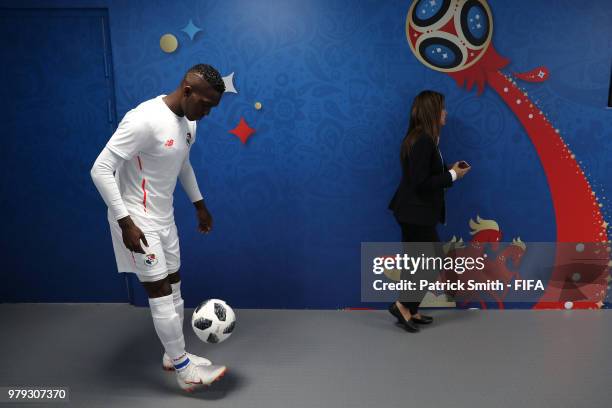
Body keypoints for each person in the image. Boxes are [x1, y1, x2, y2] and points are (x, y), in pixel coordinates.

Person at [91, 64, 227, 391]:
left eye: (213, 107)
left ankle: (173, 354)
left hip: (164, 218)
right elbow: (100, 169)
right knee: (160, 291)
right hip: (136, 219)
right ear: (187, 90)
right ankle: (185, 371)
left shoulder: (189, 122)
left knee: (175, 284)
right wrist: (125, 222)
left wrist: (199, 204)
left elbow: (182, 163)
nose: (207, 112)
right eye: (205, 104)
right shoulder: (143, 120)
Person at [387, 90, 470, 333]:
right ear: (432, 112)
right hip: (415, 212)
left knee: (419, 263)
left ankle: (411, 309)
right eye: (442, 108)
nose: (446, 113)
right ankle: (402, 305)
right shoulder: (423, 140)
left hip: (414, 212)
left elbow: (425, 174)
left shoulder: (424, 138)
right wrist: (454, 175)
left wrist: (448, 170)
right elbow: (421, 183)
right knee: (430, 261)